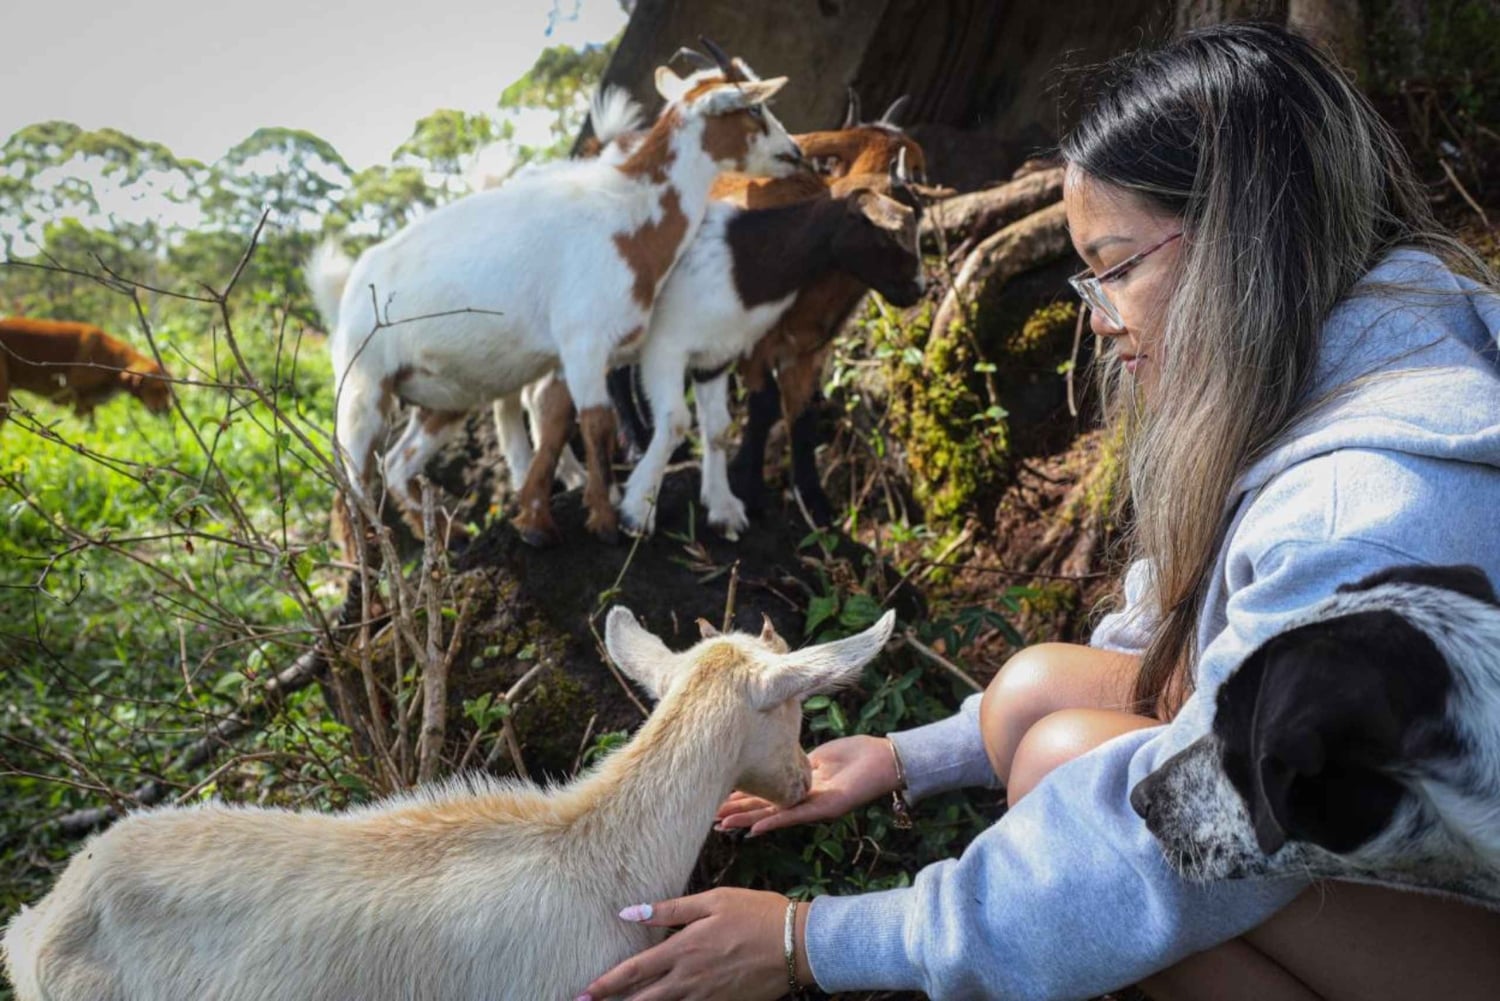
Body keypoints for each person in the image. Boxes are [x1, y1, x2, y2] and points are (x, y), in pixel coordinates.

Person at [579, 22, 1500, 1001]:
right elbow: (1168, 640)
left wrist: (816, 938)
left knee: (1078, 776)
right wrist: (906, 755)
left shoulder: (1362, 511)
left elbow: (1165, 848)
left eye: (1114, 266)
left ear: (1243, 237)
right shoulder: (1346, 356)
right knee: (1033, 692)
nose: (1097, 316)